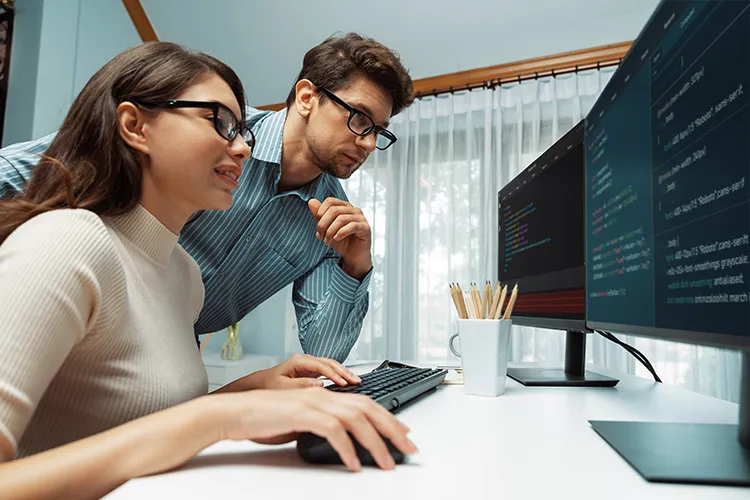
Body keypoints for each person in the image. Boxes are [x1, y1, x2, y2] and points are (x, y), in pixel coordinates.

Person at [0, 42, 416, 498]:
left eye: (380, 131)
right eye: (221, 124)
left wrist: (246, 394)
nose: (239, 146)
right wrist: (220, 418)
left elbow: (157, 419)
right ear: (305, 98)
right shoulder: (66, 245)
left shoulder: (185, 276)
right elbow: (48, 163)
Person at [0, 32, 415, 362]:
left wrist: (356, 266)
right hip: (82, 323)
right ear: (307, 97)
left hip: (175, 358)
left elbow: (326, 354)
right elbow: (31, 169)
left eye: (379, 131)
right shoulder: (203, 129)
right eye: (360, 119)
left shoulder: (332, 224)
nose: (367, 143)